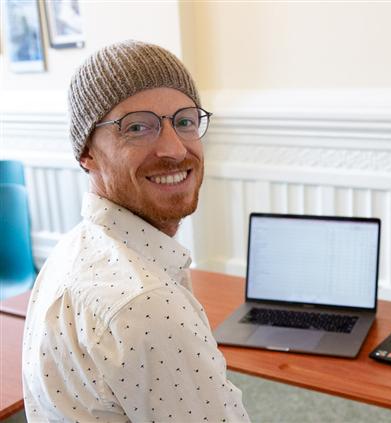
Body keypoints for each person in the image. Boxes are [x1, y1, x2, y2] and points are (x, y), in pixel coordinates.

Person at [22, 40, 250, 422]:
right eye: (138, 127)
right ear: (86, 152)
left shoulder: (71, 251)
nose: (174, 149)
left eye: (184, 121)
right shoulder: (147, 306)